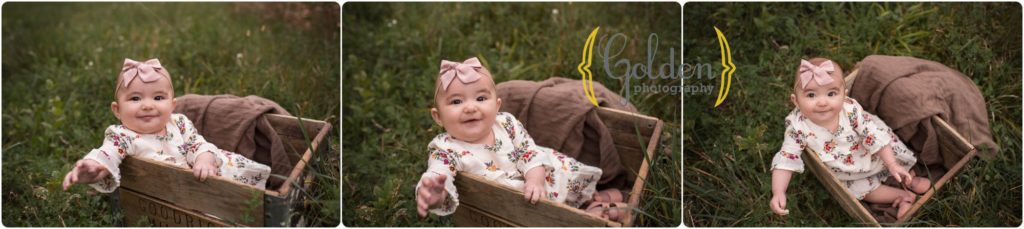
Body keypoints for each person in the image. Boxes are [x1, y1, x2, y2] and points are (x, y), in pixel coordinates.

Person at [62, 58, 271, 193]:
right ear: (117, 110)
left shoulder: (178, 122)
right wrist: (95, 166)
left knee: (244, 186)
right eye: (135, 99)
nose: (147, 105)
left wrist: (204, 157)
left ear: (172, 106)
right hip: (175, 191)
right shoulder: (122, 136)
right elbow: (108, 153)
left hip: (210, 172)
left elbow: (196, 143)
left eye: (158, 97)